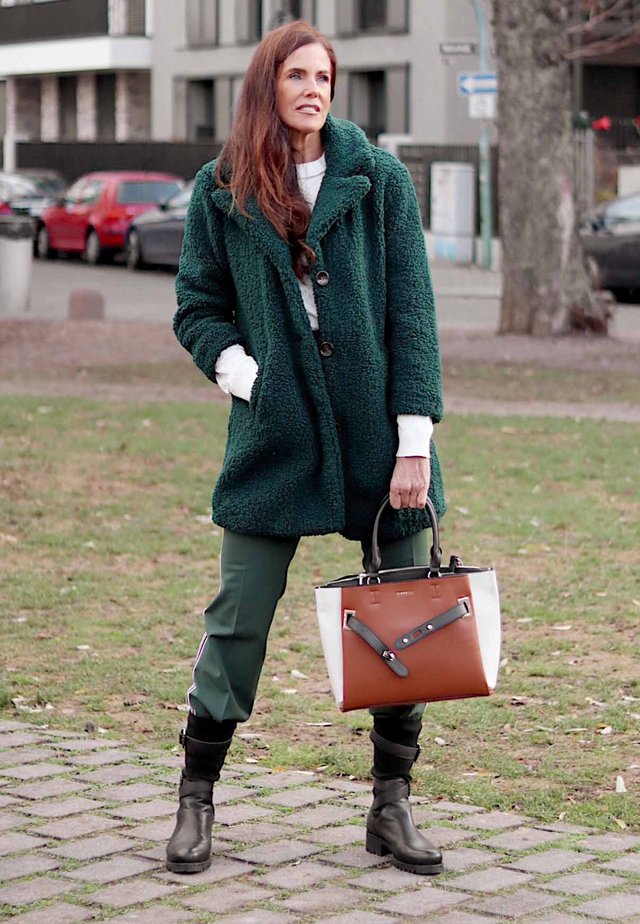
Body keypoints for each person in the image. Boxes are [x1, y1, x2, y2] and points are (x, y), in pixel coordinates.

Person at [166, 20, 446, 877]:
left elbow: (413, 315)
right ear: (268, 85)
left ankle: (391, 807)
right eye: (297, 76)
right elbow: (197, 306)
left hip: (380, 441)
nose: (313, 90)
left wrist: (414, 442)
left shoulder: (379, 179)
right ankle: (195, 799)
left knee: (407, 624)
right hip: (274, 437)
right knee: (239, 618)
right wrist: (245, 374)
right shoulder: (222, 188)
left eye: (323, 76)